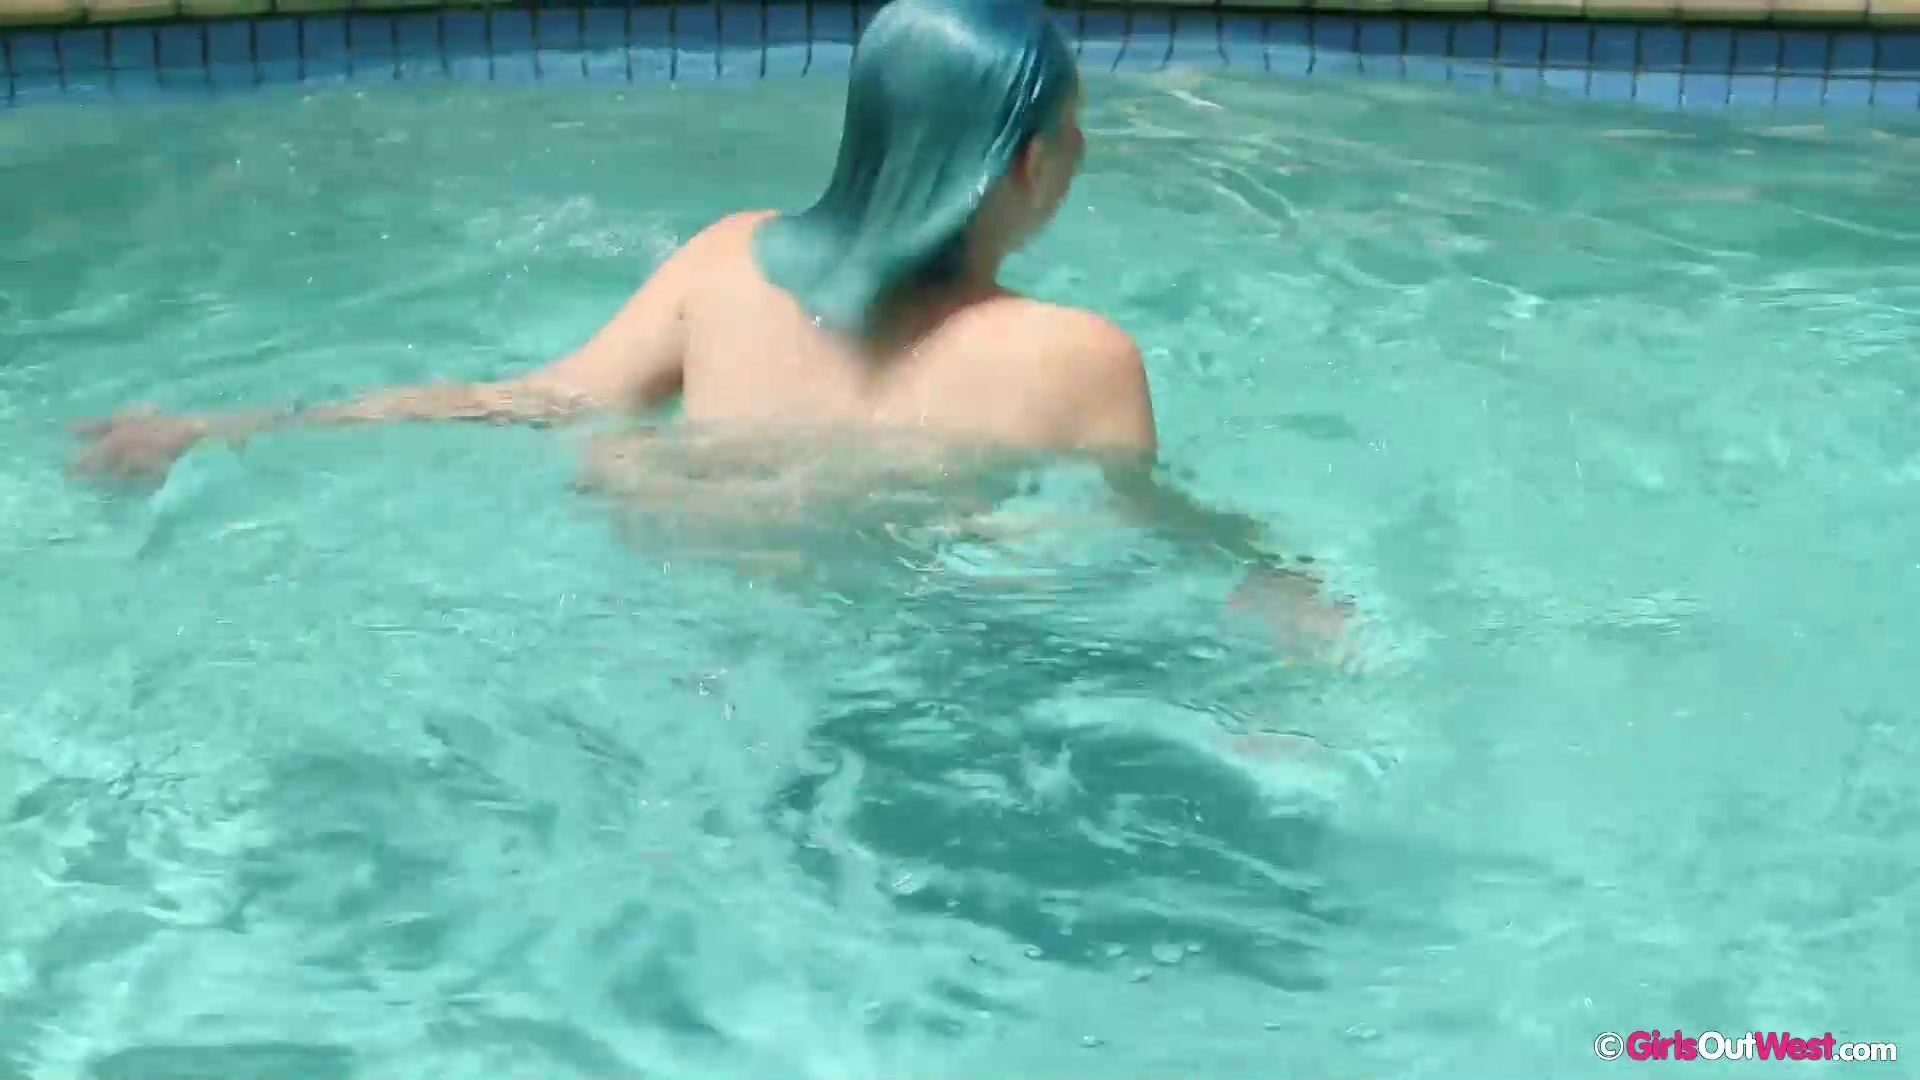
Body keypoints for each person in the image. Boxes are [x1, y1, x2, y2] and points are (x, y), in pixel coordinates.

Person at [69, 0, 1348, 648]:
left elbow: (529, 403)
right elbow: (1141, 547)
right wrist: (1285, 576)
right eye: (1071, 132)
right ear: (1023, 165)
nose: (1079, 154)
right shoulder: (1078, 359)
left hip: (690, 627)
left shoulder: (725, 264)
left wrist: (231, 425)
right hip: (906, 658)